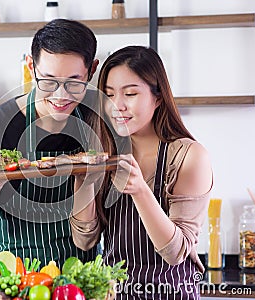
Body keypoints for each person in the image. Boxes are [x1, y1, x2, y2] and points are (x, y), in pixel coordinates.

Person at [70, 46, 213, 299]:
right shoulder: (103, 151)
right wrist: (85, 183)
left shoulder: (188, 157)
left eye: (131, 94)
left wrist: (139, 190)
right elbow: (84, 240)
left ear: (158, 98)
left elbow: (175, 252)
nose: (117, 106)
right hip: (114, 293)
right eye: (109, 94)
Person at [0, 19, 100, 268]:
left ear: (91, 70)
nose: (61, 96)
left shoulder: (96, 121)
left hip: (82, 276)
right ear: (31, 66)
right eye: (48, 81)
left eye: (74, 82)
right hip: (16, 276)